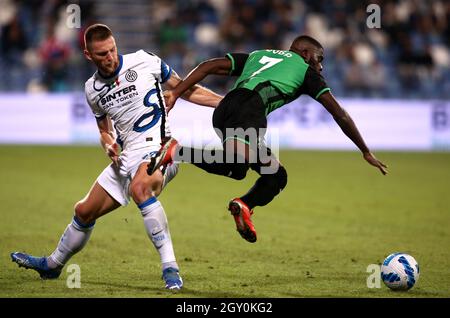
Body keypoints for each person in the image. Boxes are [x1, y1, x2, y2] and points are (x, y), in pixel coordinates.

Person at [10, 24, 222, 290]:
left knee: (140, 188)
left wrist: (224, 103)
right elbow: (104, 130)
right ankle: (52, 265)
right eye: (102, 54)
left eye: (112, 50)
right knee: (83, 211)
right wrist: (109, 143)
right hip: (126, 157)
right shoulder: (92, 90)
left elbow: (186, 88)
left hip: (160, 148)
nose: (109, 57)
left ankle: (170, 267)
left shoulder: (145, 61)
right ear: (88, 55)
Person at [148, 35, 388, 243]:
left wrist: (177, 93)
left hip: (225, 109)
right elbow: (340, 113)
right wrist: (365, 150)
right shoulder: (306, 71)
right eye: (319, 59)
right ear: (305, 54)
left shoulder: (258, 55)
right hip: (250, 110)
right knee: (236, 166)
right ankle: (176, 150)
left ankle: (244, 205)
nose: (321, 67)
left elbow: (209, 65)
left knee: (275, 175)